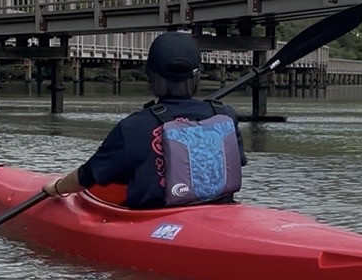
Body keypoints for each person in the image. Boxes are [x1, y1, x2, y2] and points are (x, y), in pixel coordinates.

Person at [42, 30, 247, 208]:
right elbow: (238, 163)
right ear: (197, 77)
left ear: (150, 75)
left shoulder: (136, 126)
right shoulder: (224, 115)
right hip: (220, 211)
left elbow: (88, 176)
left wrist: (56, 188)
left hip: (156, 221)